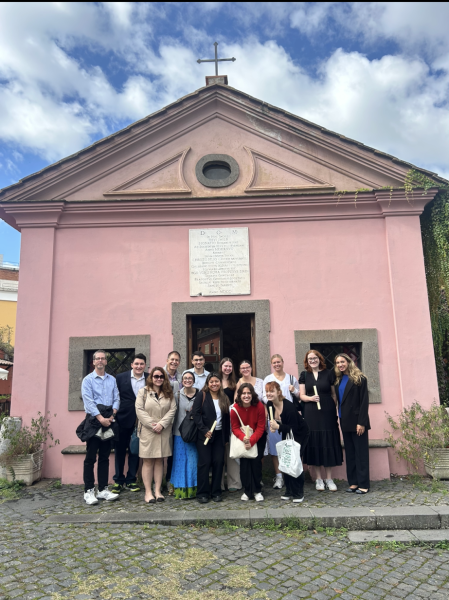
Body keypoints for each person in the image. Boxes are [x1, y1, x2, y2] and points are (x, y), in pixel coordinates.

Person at [299, 350, 343, 492]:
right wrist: (311, 399)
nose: (313, 360)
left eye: (315, 358)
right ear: (307, 361)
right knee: (315, 443)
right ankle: (318, 479)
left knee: (327, 442)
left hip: (327, 412)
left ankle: (329, 479)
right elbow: (302, 396)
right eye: (310, 358)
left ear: (319, 359)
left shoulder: (329, 373)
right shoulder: (304, 375)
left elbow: (333, 394)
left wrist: (332, 409)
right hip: (311, 412)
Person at [80, 350, 120, 505]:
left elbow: (117, 397)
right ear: (94, 361)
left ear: (106, 362)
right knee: (90, 457)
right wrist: (100, 418)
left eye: (103, 359)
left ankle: (103, 489)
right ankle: (89, 490)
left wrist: (112, 414)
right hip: (94, 421)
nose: (100, 361)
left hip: (109, 420)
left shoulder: (112, 380)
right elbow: (88, 401)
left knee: (104, 456)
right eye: (98, 359)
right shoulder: (88, 380)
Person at [135, 367, 177, 503]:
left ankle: (158, 491)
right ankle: (148, 492)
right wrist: (153, 424)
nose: (158, 379)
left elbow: (173, 409)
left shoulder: (169, 393)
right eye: (156, 376)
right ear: (151, 378)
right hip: (148, 431)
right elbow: (139, 410)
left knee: (160, 460)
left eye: (161, 377)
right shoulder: (143, 392)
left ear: (164, 378)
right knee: (147, 461)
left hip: (163, 431)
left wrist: (162, 424)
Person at [111, 354, 149, 494]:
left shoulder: (150, 377)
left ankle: (131, 479)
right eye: (136, 364)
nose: (139, 366)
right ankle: (118, 480)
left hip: (141, 421)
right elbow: (115, 396)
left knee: (135, 451)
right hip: (122, 419)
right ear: (132, 364)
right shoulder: (120, 377)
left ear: (145, 365)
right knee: (120, 451)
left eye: (142, 364)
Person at [266, 381, 309, 503]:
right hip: (287, 433)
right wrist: (273, 426)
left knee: (294, 461)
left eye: (271, 391)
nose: (269, 394)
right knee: (286, 460)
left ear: (278, 392)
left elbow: (294, 428)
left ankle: (298, 492)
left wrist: (278, 427)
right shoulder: (269, 404)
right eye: (267, 391)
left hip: (300, 434)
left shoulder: (289, 407)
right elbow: (272, 420)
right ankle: (289, 491)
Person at [263, 354, 300, 490]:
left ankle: (289, 475)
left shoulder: (291, 378)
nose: (277, 364)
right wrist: (272, 399)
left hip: (289, 416)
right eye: (274, 362)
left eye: (279, 362)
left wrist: (293, 390)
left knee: (288, 446)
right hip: (273, 416)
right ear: (271, 364)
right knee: (274, 448)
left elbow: (298, 395)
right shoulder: (268, 379)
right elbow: (263, 396)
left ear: (283, 363)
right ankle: (279, 477)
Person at [335, 353, 370, 494]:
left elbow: (364, 402)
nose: (340, 364)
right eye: (337, 362)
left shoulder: (360, 378)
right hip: (344, 420)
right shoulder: (338, 380)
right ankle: (353, 482)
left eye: (342, 361)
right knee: (350, 453)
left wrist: (361, 422)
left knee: (360, 454)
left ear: (349, 362)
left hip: (357, 422)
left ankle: (364, 484)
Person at [192, 372, 230, 503]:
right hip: (204, 435)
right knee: (205, 463)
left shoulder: (223, 397)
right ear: (208, 384)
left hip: (219, 435)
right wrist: (204, 430)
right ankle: (202, 493)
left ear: (220, 383)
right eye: (212, 382)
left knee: (218, 462)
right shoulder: (201, 395)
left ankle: (216, 492)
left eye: (217, 381)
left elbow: (226, 419)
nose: (214, 384)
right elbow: (196, 414)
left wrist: (226, 438)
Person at [230, 383, 266, 502]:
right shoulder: (235, 408)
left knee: (256, 464)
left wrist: (251, 441)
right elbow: (234, 427)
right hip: (243, 439)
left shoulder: (259, 406)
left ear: (252, 394)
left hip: (257, 438)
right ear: (240, 395)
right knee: (244, 466)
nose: (246, 396)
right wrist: (243, 438)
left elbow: (261, 427)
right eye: (244, 393)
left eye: (248, 393)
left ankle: (257, 490)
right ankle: (247, 490)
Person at [171, 371, 201, 499]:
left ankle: (194, 489)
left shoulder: (200, 394)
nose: (187, 380)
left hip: (195, 434)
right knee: (180, 462)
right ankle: (180, 490)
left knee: (193, 462)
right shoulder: (177, 395)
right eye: (185, 378)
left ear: (194, 381)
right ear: (182, 381)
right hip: (179, 433)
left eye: (190, 378)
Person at [218, 357, 240, 493]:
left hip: (231, 418)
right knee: (219, 453)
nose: (227, 368)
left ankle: (234, 483)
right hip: (218, 419)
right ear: (221, 367)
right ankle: (219, 484)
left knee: (232, 452)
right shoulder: (214, 380)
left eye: (230, 366)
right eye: (225, 366)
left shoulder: (235, 382)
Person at [164, 350, 182, 496]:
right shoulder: (159, 374)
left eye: (177, 360)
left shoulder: (181, 377)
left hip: (177, 419)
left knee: (173, 451)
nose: (174, 362)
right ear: (167, 360)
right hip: (161, 418)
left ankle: (170, 479)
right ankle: (157, 481)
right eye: (172, 359)